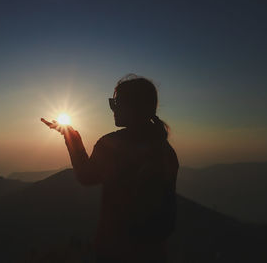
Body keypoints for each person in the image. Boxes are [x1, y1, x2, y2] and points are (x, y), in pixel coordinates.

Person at [41, 74, 179, 263]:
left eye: (116, 103)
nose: (112, 109)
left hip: (116, 250)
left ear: (133, 107)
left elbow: (86, 176)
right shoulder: (165, 149)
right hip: (153, 253)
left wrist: (70, 135)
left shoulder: (112, 145)